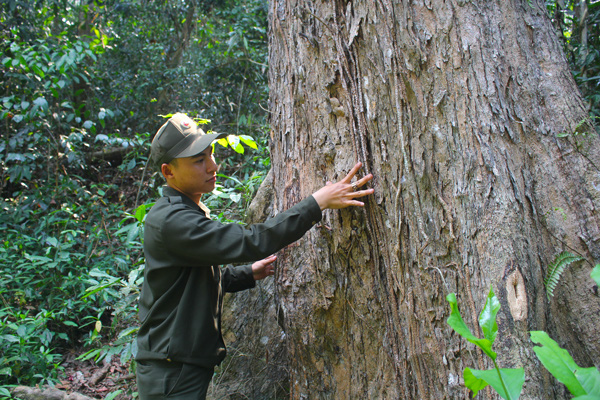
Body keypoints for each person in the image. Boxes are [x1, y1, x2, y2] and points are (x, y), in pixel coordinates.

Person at [136, 113, 374, 399]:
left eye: (210, 153)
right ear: (168, 171)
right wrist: (317, 202)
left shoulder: (179, 211)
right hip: (171, 371)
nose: (212, 165)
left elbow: (186, 282)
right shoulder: (173, 220)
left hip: (177, 363)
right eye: (198, 161)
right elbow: (253, 240)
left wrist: (247, 273)